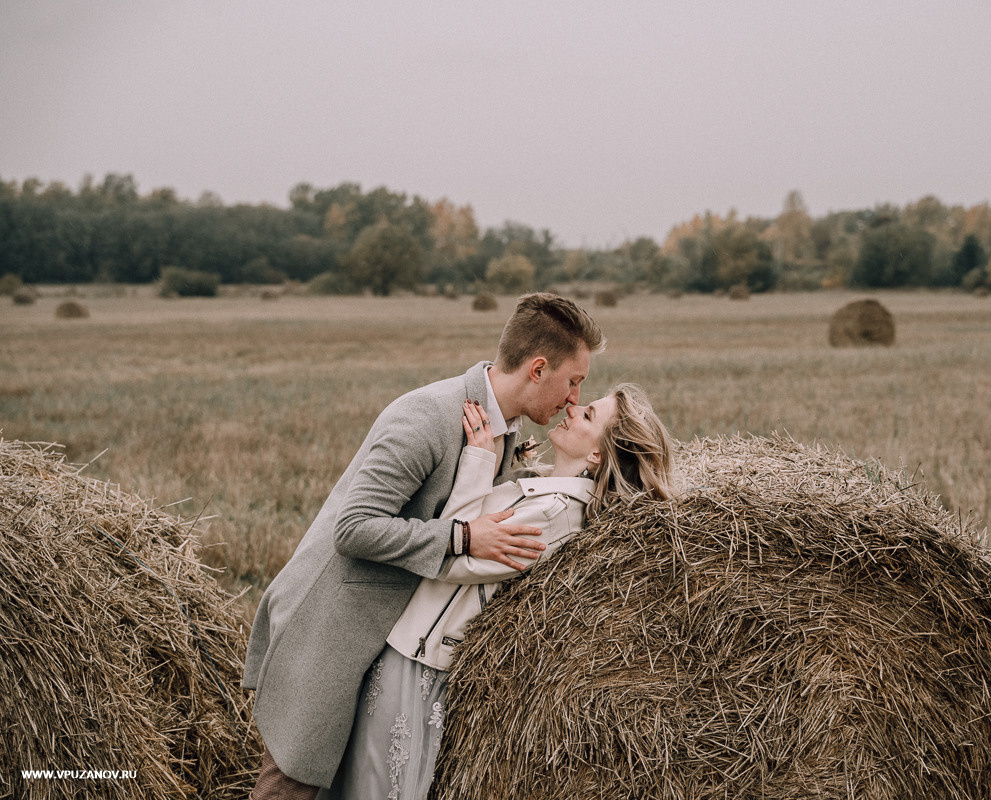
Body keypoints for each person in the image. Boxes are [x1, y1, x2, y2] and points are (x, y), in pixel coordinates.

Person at [243, 293, 605, 799]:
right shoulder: (429, 417)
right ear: (538, 369)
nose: (574, 398)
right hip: (329, 631)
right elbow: (354, 529)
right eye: (574, 381)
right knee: (289, 789)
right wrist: (463, 537)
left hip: (379, 646)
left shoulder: (499, 429)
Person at [320, 384, 675, 799]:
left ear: (597, 454)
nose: (574, 408)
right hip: (408, 644)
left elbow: (452, 557)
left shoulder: (555, 514)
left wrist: (478, 461)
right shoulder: (547, 490)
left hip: (419, 653)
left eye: (589, 416)